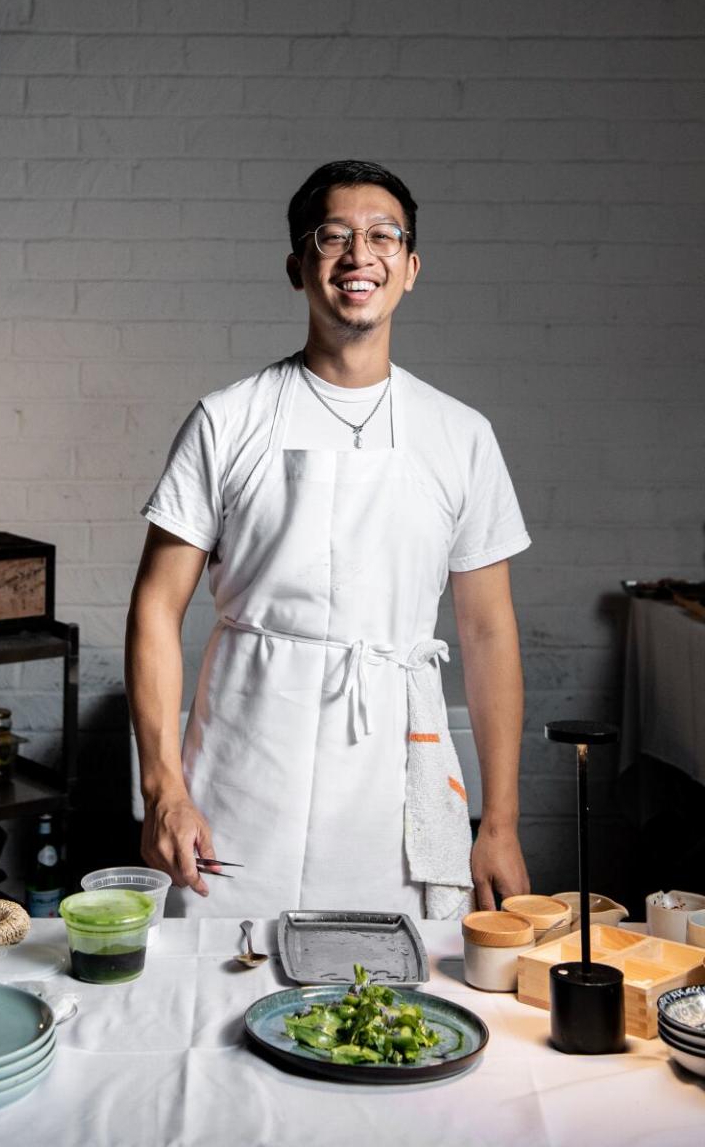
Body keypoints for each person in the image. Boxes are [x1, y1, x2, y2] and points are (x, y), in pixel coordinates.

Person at [125, 160, 531, 919]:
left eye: (382, 236)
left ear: (410, 269)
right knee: (220, 976)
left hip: (399, 764)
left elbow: (487, 629)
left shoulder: (461, 435)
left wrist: (500, 820)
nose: (358, 255)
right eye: (333, 236)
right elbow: (155, 606)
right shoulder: (227, 419)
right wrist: (164, 790)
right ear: (296, 266)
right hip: (246, 759)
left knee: (403, 998)